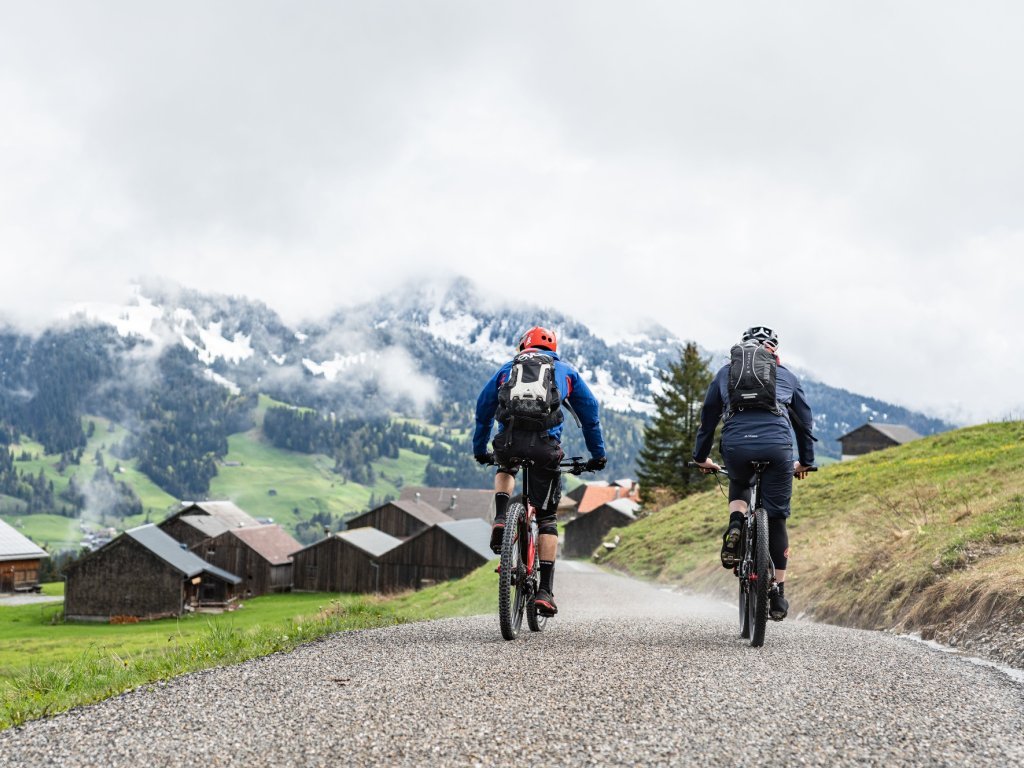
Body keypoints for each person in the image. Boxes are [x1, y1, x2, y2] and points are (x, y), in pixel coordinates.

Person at [473, 325, 606, 617]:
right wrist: (597, 456)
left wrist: (480, 449)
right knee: (546, 519)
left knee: (504, 464)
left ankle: (500, 518)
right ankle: (545, 591)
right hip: (546, 448)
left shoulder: (507, 369)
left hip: (508, 442)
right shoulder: (565, 371)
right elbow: (590, 413)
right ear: (552, 348)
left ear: (524, 347)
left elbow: (483, 410)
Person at [692, 326, 815, 620]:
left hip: (736, 447)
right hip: (777, 448)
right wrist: (806, 462)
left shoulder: (726, 373)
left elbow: (707, 419)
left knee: (739, 479)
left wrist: (700, 457)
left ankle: (736, 524)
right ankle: (778, 595)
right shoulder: (787, 377)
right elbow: (804, 424)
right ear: (774, 352)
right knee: (777, 518)